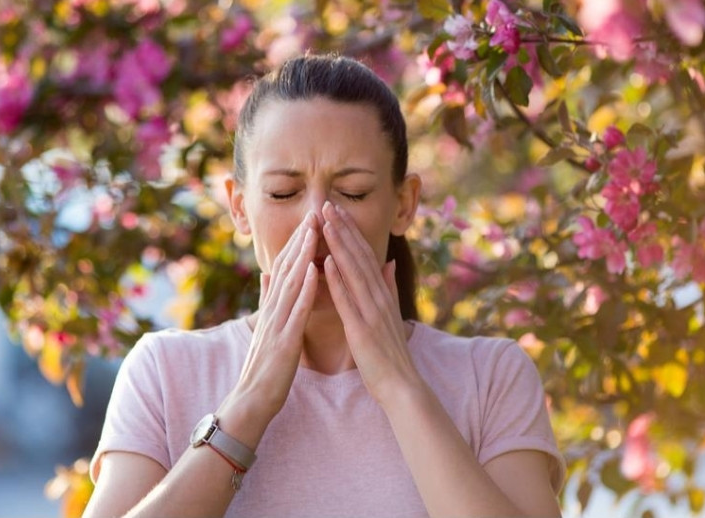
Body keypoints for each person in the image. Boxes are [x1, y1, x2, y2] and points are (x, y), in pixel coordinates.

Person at [82, 54, 565, 518]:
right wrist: (248, 405)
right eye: (283, 193)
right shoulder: (164, 373)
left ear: (403, 203)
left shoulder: (491, 377)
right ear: (239, 206)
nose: (316, 218)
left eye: (352, 192)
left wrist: (399, 386)